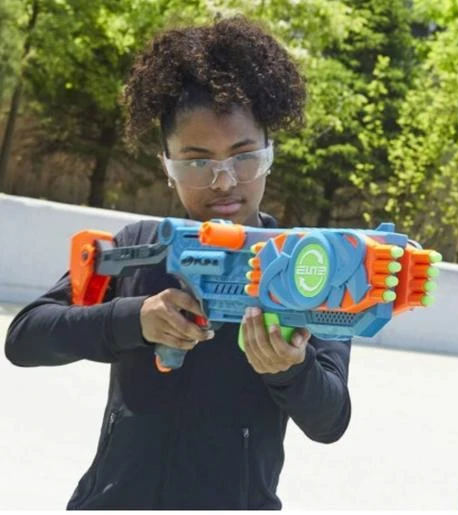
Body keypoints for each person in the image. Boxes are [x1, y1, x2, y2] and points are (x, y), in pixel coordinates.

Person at [4, 15, 351, 510]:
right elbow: (25, 339)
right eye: (196, 162)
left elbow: (330, 420)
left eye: (244, 157)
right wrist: (134, 320)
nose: (224, 182)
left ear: (270, 154)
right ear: (166, 166)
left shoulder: (310, 267)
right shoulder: (139, 246)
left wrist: (290, 370)